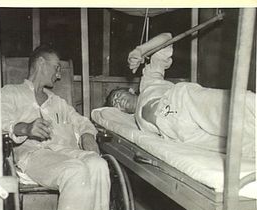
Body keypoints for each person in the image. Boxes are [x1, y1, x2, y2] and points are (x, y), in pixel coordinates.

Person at [1, 45, 110, 210]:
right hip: (33, 155)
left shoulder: (57, 101)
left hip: (63, 152)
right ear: (41, 63)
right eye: (56, 67)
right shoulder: (11, 93)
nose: (59, 75)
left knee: (98, 164)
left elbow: (81, 121)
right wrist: (25, 128)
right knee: (75, 171)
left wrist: (87, 135)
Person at [108, 33, 255, 158]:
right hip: (181, 133)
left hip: (184, 102)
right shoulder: (139, 125)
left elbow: (167, 38)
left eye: (118, 95)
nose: (119, 101)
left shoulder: (148, 81)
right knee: (241, 146)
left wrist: (139, 51)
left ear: (130, 91)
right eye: (116, 104)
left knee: (238, 106)